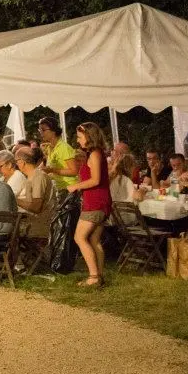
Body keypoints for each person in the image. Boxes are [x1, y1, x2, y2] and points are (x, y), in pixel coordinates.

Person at [66, 122, 112, 287]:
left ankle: (93, 277)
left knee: (79, 237)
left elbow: (95, 180)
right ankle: (99, 276)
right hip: (101, 202)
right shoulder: (94, 154)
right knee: (94, 239)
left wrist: (76, 186)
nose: (78, 140)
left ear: (89, 136)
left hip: (95, 203)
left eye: (79, 137)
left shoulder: (95, 154)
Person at [15, 147, 55, 239]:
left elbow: (36, 207)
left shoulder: (38, 177)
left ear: (22, 162)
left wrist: (15, 200)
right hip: (34, 223)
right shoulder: (32, 176)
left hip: (39, 227)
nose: (16, 164)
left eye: (16, 161)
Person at [38, 117, 79, 194]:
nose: (41, 133)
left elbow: (74, 171)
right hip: (60, 188)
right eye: (39, 130)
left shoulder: (63, 147)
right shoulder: (50, 147)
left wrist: (52, 170)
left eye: (43, 130)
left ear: (53, 130)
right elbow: (48, 167)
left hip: (70, 189)